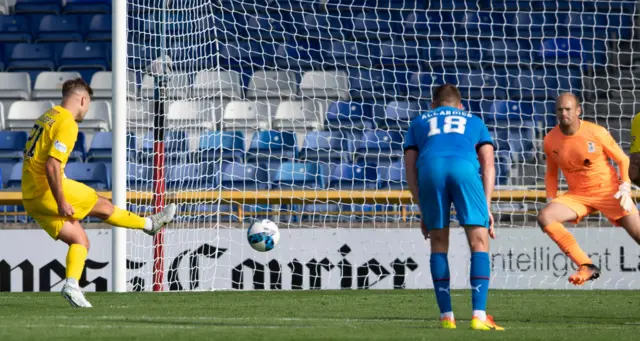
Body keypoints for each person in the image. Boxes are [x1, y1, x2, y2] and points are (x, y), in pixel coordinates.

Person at [21, 78, 176, 308]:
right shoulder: (67, 122)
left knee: (80, 240)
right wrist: (61, 200)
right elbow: (52, 164)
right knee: (102, 205)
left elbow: (41, 157)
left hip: (30, 196)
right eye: (88, 103)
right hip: (45, 190)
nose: (87, 109)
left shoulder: (47, 116)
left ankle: (71, 286)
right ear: (82, 99)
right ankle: (149, 224)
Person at [404, 84, 502, 331]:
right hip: (464, 169)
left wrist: (422, 209)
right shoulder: (475, 120)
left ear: (433, 105)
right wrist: (486, 206)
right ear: (461, 105)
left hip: (430, 170)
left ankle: (447, 316)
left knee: (438, 243)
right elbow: (488, 165)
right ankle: (479, 316)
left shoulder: (418, 122)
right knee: (479, 243)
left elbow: (409, 170)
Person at [538, 93, 640, 287]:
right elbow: (551, 173)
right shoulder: (550, 140)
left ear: (578, 111)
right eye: (560, 109)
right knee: (545, 217)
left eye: (568, 109)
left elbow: (623, 159)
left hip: (609, 192)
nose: (564, 113)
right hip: (578, 195)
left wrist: (625, 188)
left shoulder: (596, 132)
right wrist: (551, 199)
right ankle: (586, 265)